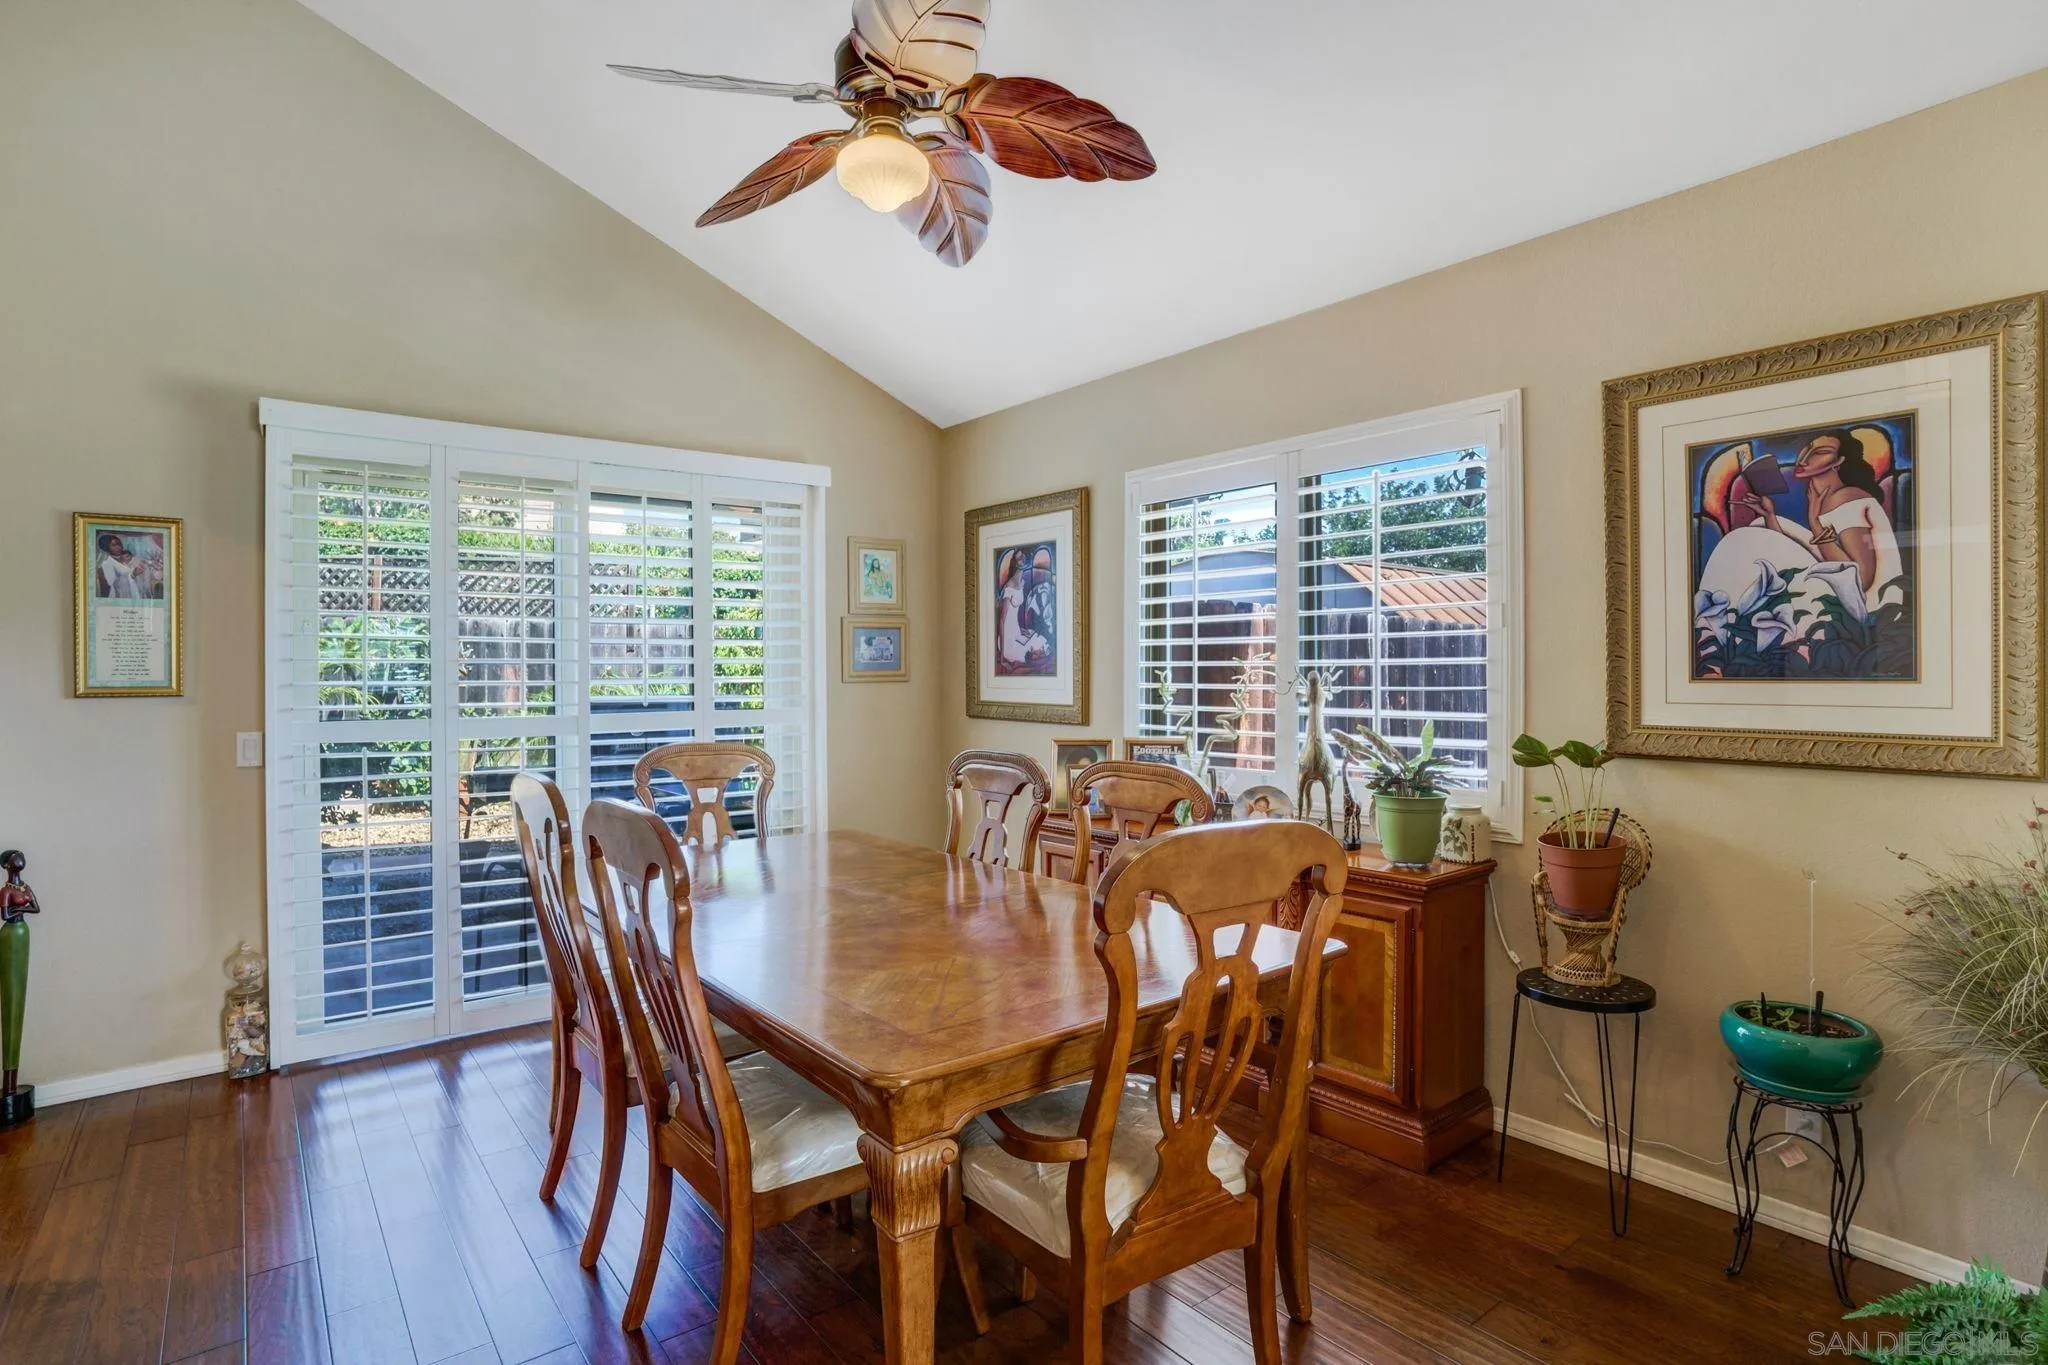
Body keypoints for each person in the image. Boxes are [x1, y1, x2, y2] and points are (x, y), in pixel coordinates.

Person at [1733, 430, 1901, 601]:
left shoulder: (1845, 498)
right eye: (1807, 449)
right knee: (1760, 524)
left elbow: (1859, 580)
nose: (1804, 459)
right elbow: (1808, 556)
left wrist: (1814, 523)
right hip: (1839, 600)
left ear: (1839, 461)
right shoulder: (1823, 498)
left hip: (1865, 609)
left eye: (1820, 452)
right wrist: (1769, 515)